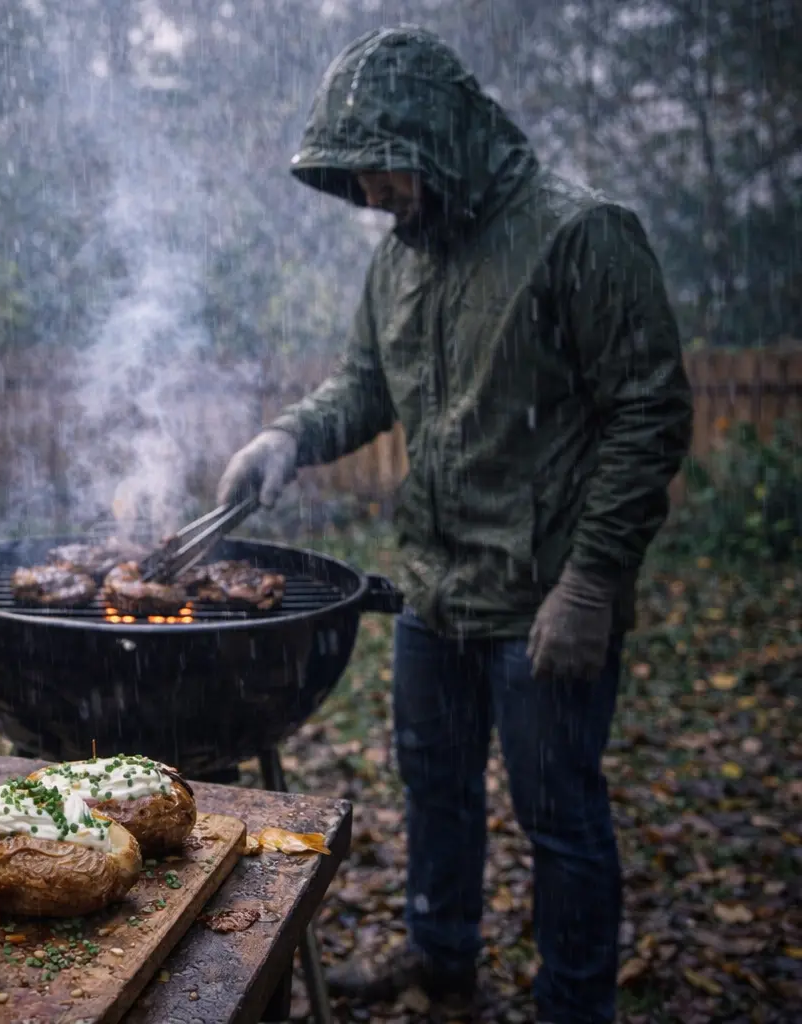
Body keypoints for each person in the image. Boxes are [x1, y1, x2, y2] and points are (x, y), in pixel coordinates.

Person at [216, 25, 693, 1024]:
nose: (369, 194)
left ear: (436, 136)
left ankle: (573, 1004)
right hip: (433, 594)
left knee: (559, 819)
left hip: (544, 598)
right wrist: (284, 440)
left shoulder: (579, 232)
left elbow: (650, 410)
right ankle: (443, 957)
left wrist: (593, 580)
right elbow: (364, 387)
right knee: (435, 791)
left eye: (378, 169)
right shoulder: (400, 263)